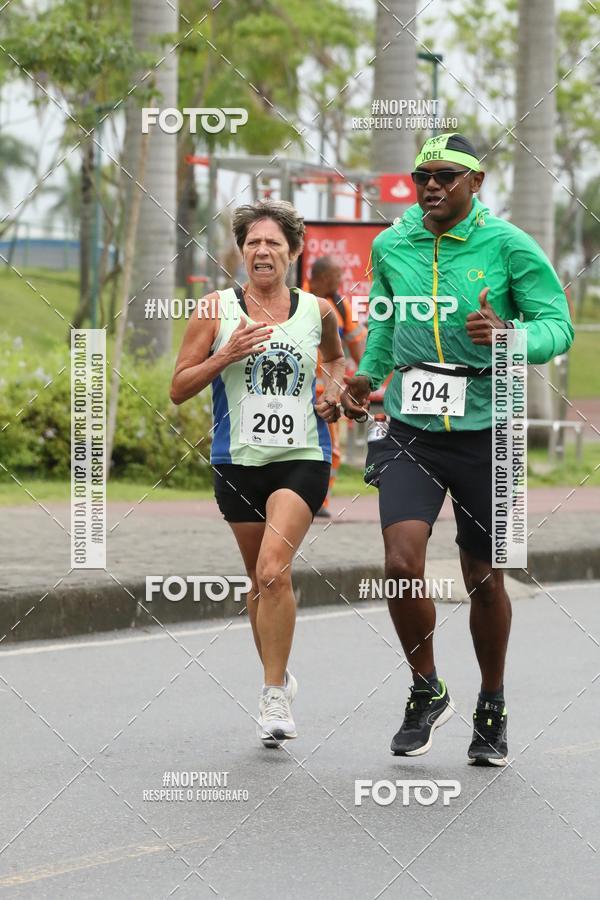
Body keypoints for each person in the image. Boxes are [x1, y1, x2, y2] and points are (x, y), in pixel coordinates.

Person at [342, 133, 574, 765]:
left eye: (445, 176)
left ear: (476, 183)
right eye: (422, 177)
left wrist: (509, 333)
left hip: (489, 427)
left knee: (484, 577)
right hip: (412, 426)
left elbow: (559, 327)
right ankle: (426, 688)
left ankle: (492, 703)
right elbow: (386, 324)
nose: (432, 188)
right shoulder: (392, 245)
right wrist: (368, 375)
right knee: (399, 559)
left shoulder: (508, 247)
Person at [171, 200, 345, 748]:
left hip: (302, 458)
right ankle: (280, 676)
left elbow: (338, 361)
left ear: (292, 252)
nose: (261, 251)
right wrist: (225, 355)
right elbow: (178, 388)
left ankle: (272, 695)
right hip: (236, 461)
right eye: (252, 243)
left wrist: (336, 391)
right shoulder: (215, 310)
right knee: (257, 582)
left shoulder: (317, 311)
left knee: (274, 571)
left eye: (273, 243)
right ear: (241, 252)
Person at [309, 257, 367, 517]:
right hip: (297, 392)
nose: (341, 281)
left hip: (327, 396)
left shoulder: (341, 307)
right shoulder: (297, 300)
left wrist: (367, 377)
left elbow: (358, 346)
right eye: (336, 275)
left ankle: (320, 502)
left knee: (329, 450)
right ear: (320, 278)